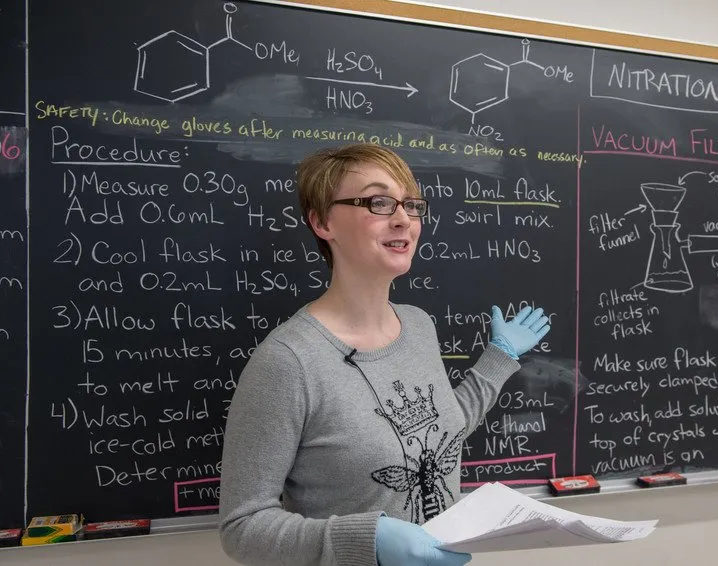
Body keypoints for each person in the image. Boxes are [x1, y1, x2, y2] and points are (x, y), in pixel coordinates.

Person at [218, 143, 550, 566]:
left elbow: (437, 436)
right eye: (378, 202)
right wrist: (366, 540)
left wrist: (500, 357)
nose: (403, 219)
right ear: (322, 222)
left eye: (411, 205)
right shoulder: (288, 362)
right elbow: (242, 527)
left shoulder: (417, 325)